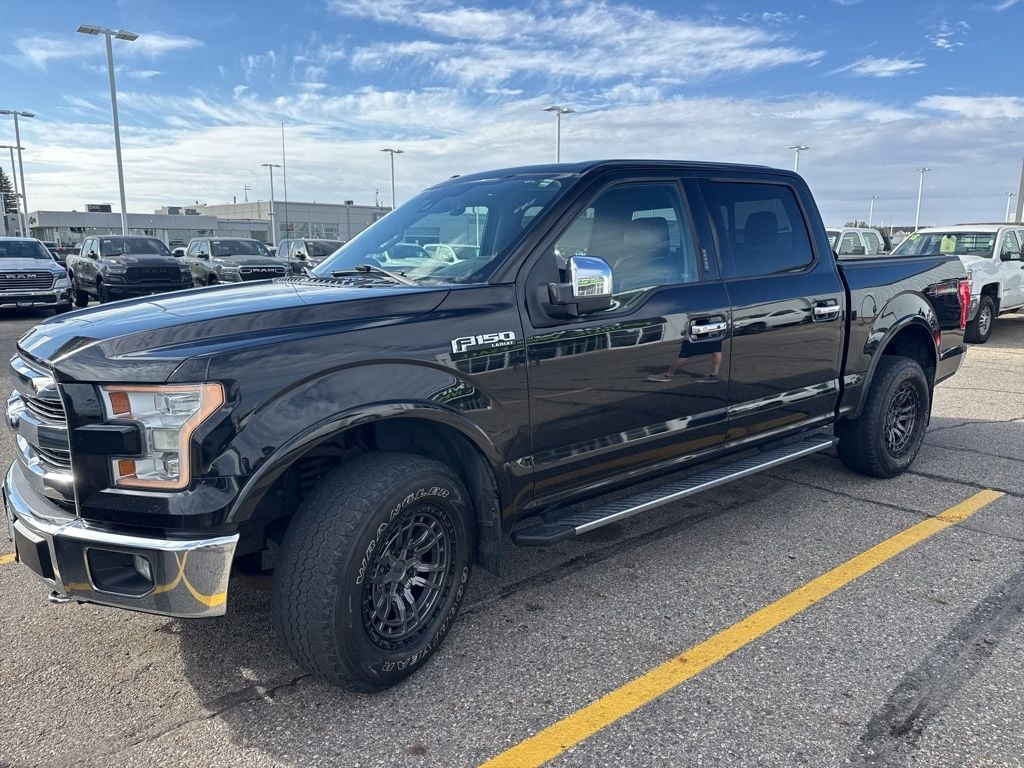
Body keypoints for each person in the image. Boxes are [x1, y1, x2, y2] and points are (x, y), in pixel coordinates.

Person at [647, 336, 722, 383]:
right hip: (714, 325)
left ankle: (668, 375)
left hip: (698, 327)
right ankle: (713, 376)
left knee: (685, 354)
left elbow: (691, 315)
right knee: (716, 350)